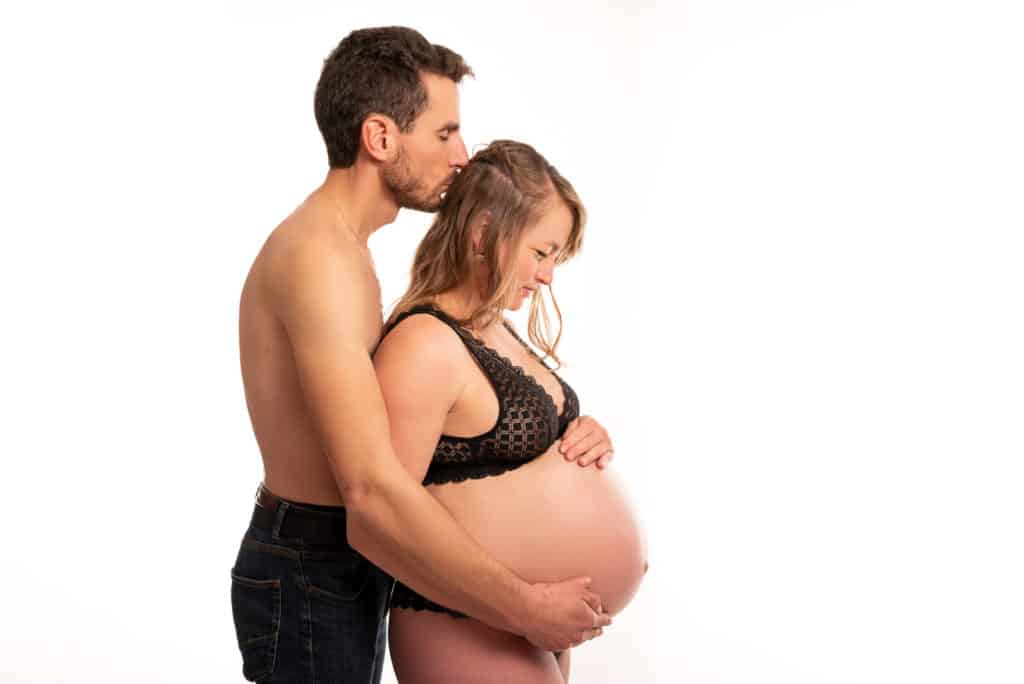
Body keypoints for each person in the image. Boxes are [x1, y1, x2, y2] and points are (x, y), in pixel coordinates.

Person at [229, 27, 613, 684]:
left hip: (332, 565)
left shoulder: (347, 251)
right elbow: (372, 491)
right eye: (444, 133)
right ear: (381, 138)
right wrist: (525, 608)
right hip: (312, 565)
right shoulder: (318, 260)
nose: (463, 156)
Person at [375, 140, 648, 683]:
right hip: (461, 622)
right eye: (541, 252)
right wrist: (523, 604)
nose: (547, 275)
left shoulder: (493, 327)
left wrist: (584, 434)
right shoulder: (423, 343)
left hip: (528, 621)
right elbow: (387, 520)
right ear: (483, 233)